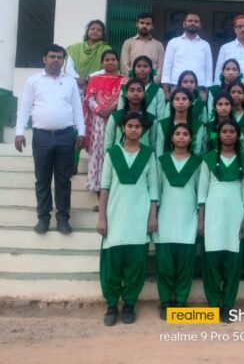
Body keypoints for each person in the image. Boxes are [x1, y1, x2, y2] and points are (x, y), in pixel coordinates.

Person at [14, 44, 86, 235]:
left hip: (65, 136)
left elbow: (77, 108)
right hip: (42, 137)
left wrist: (81, 132)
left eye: (59, 57)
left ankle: (63, 219)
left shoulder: (70, 82)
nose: (56, 60)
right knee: (42, 179)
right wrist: (19, 132)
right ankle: (43, 218)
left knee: (64, 180)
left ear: (63, 61)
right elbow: (25, 107)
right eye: (52, 57)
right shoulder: (33, 81)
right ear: (44, 59)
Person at [98, 112, 159, 326]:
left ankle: (130, 304)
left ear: (143, 130)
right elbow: (104, 187)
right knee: (112, 265)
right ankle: (111, 305)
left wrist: (152, 216)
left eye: (137, 126)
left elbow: (153, 188)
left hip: (139, 217)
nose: (133, 129)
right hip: (115, 217)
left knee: (135, 266)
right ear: (122, 128)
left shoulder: (149, 155)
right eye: (130, 126)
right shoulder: (112, 154)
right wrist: (102, 218)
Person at [198, 120, 244, 323]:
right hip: (213, 213)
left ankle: (228, 305)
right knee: (212, 261)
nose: (228, 134)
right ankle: (213, 305)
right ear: (218, 135)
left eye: (232, 131)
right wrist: (201, 218)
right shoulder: (209, 159)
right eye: (224, 131)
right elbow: (202, 190)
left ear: (237, 135)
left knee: (232, 262)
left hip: (235, 214)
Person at [154, 123, 203, 320]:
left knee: (185, 264)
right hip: (165, 217)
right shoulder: (162, 160)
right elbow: (156, 189)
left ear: (191, 139)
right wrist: (153, 215)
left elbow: (200, 191)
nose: (181, 137)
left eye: (185, 134)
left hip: (188, 218)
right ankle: (165, 301)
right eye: (177, 133)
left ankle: (181, 300)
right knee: (164, 264)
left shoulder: (198, 162)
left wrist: (200, 217)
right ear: (171, 138)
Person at [83, 50, 128, 192]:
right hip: (98, 119)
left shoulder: (124, 80)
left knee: (114, 148)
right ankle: (97, 185)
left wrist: (111, 110)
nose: (110, 62)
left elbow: (124, 99)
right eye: (107, 59)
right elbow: (89, 98)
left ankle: (113, 184)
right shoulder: (95, 79)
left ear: (118, 62)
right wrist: (99, 110)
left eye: (113, 59)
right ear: (102, 63)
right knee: (98, 149)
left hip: (117, 118)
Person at [162, 12, 213, 98]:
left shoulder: (205, 45)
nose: (193, 23)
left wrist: (206, 90)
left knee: (198, 108)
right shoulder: (173, 43)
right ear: (184, 24)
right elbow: (167, 66)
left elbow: (208, 68)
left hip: (199, 88)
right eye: (190, 21)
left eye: (196, 21)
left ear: (200, 25)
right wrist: (166, 90)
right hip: (176, 86)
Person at [106, 79, 157, 150]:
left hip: (144, 156)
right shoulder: (115, 116)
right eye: (132, 90)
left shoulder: (151, 119)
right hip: (118, 156)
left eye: (139, 90)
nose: (136, 93)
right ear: (126, 94)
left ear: (144, 94)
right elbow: (108, 142)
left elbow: (153, 144)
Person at [155, 88, 206, 156]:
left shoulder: (198, 124)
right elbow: (159, 149)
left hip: (190, 161)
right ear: (172, 103)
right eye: (177, 99)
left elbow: (197, 150)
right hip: (167, 161)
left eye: (184, 99)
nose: (181, 102)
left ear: (190, 103)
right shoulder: (163, 124)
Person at [120, 13, 165, 83]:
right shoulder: (128, 43)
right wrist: (133, 81)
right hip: (132, 84)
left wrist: (152, 82)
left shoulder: (158, 45)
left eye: (148, 24)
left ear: (152, 26)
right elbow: (124, 65)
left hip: (152, 85)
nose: (144, 26)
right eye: (142, 23)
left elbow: (160, 67)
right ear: (137, 24)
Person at [65, 20, 113, 85]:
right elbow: (69, 67)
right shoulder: (74, 48)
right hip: (75, 84)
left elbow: (107, 67)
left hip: (97, 84)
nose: (95, 31)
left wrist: (87, 78)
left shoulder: (106, 49)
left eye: (99, 30)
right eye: (92, 29)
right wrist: (78, 79)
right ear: (87, 31)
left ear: (102, 34)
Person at [120, 55, 165, 122]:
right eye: (139, 66)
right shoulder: (125, 89)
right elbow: (120, 111)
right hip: (129, 125)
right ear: (134, 70)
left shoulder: (158, 91)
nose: (142, 69)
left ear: (150, 70)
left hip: (151, 126)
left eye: (145, 66)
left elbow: (160, 115)